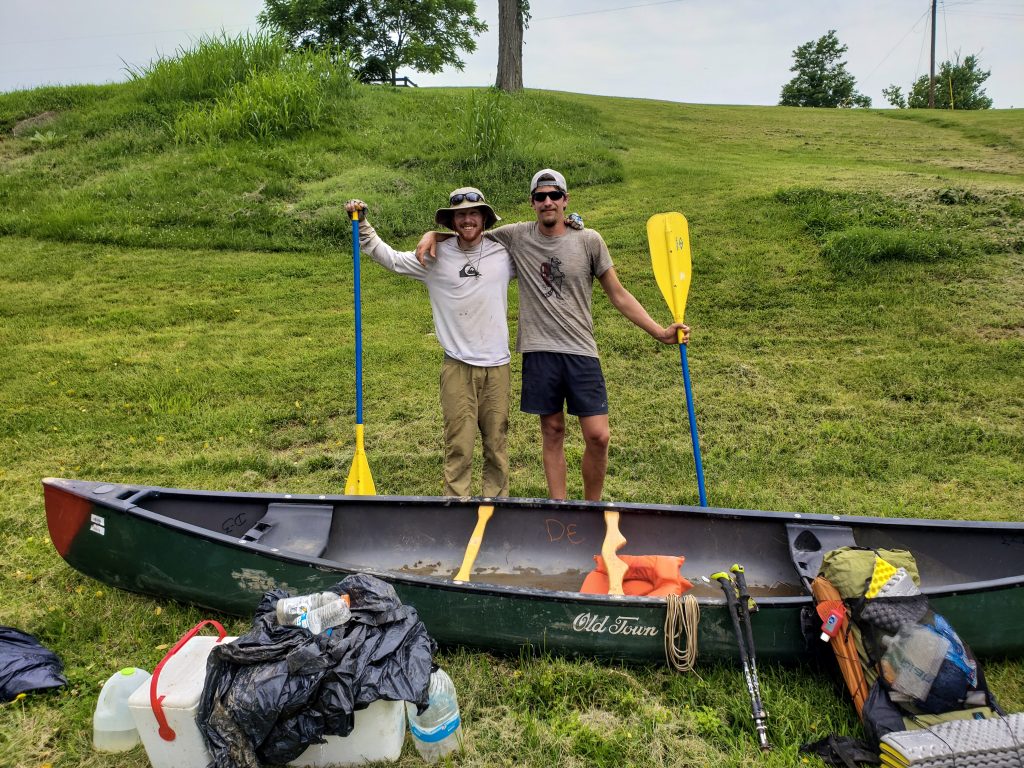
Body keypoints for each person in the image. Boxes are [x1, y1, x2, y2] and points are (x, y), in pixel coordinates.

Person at [418, 169, 688, 502]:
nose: (548, 201)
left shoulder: (589, 240)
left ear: (565, 200)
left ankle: (590, 507)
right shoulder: (517, 236)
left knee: (598, 436)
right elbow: (471, 233)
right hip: (539, 351)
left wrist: (660, 331)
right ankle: (559, 508)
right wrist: (434, 234)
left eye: (554, 195)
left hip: (581, 350)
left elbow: (618, 294)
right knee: (553, 431)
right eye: (540, 196)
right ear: (532, 202)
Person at [345, 189, 514, 498]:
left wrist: (571, 223)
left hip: (498, 367)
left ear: (485, 218)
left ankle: (497, 506)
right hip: (457, 366)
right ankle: (456, 506)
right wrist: (363, 226)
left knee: (497, 444)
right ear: (451, 221)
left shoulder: (504, 252)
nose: (467, 220)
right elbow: (392, 259)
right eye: (460, 215)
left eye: (474, 213)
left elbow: (542, 242)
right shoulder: (434, 256)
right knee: (459, 445)